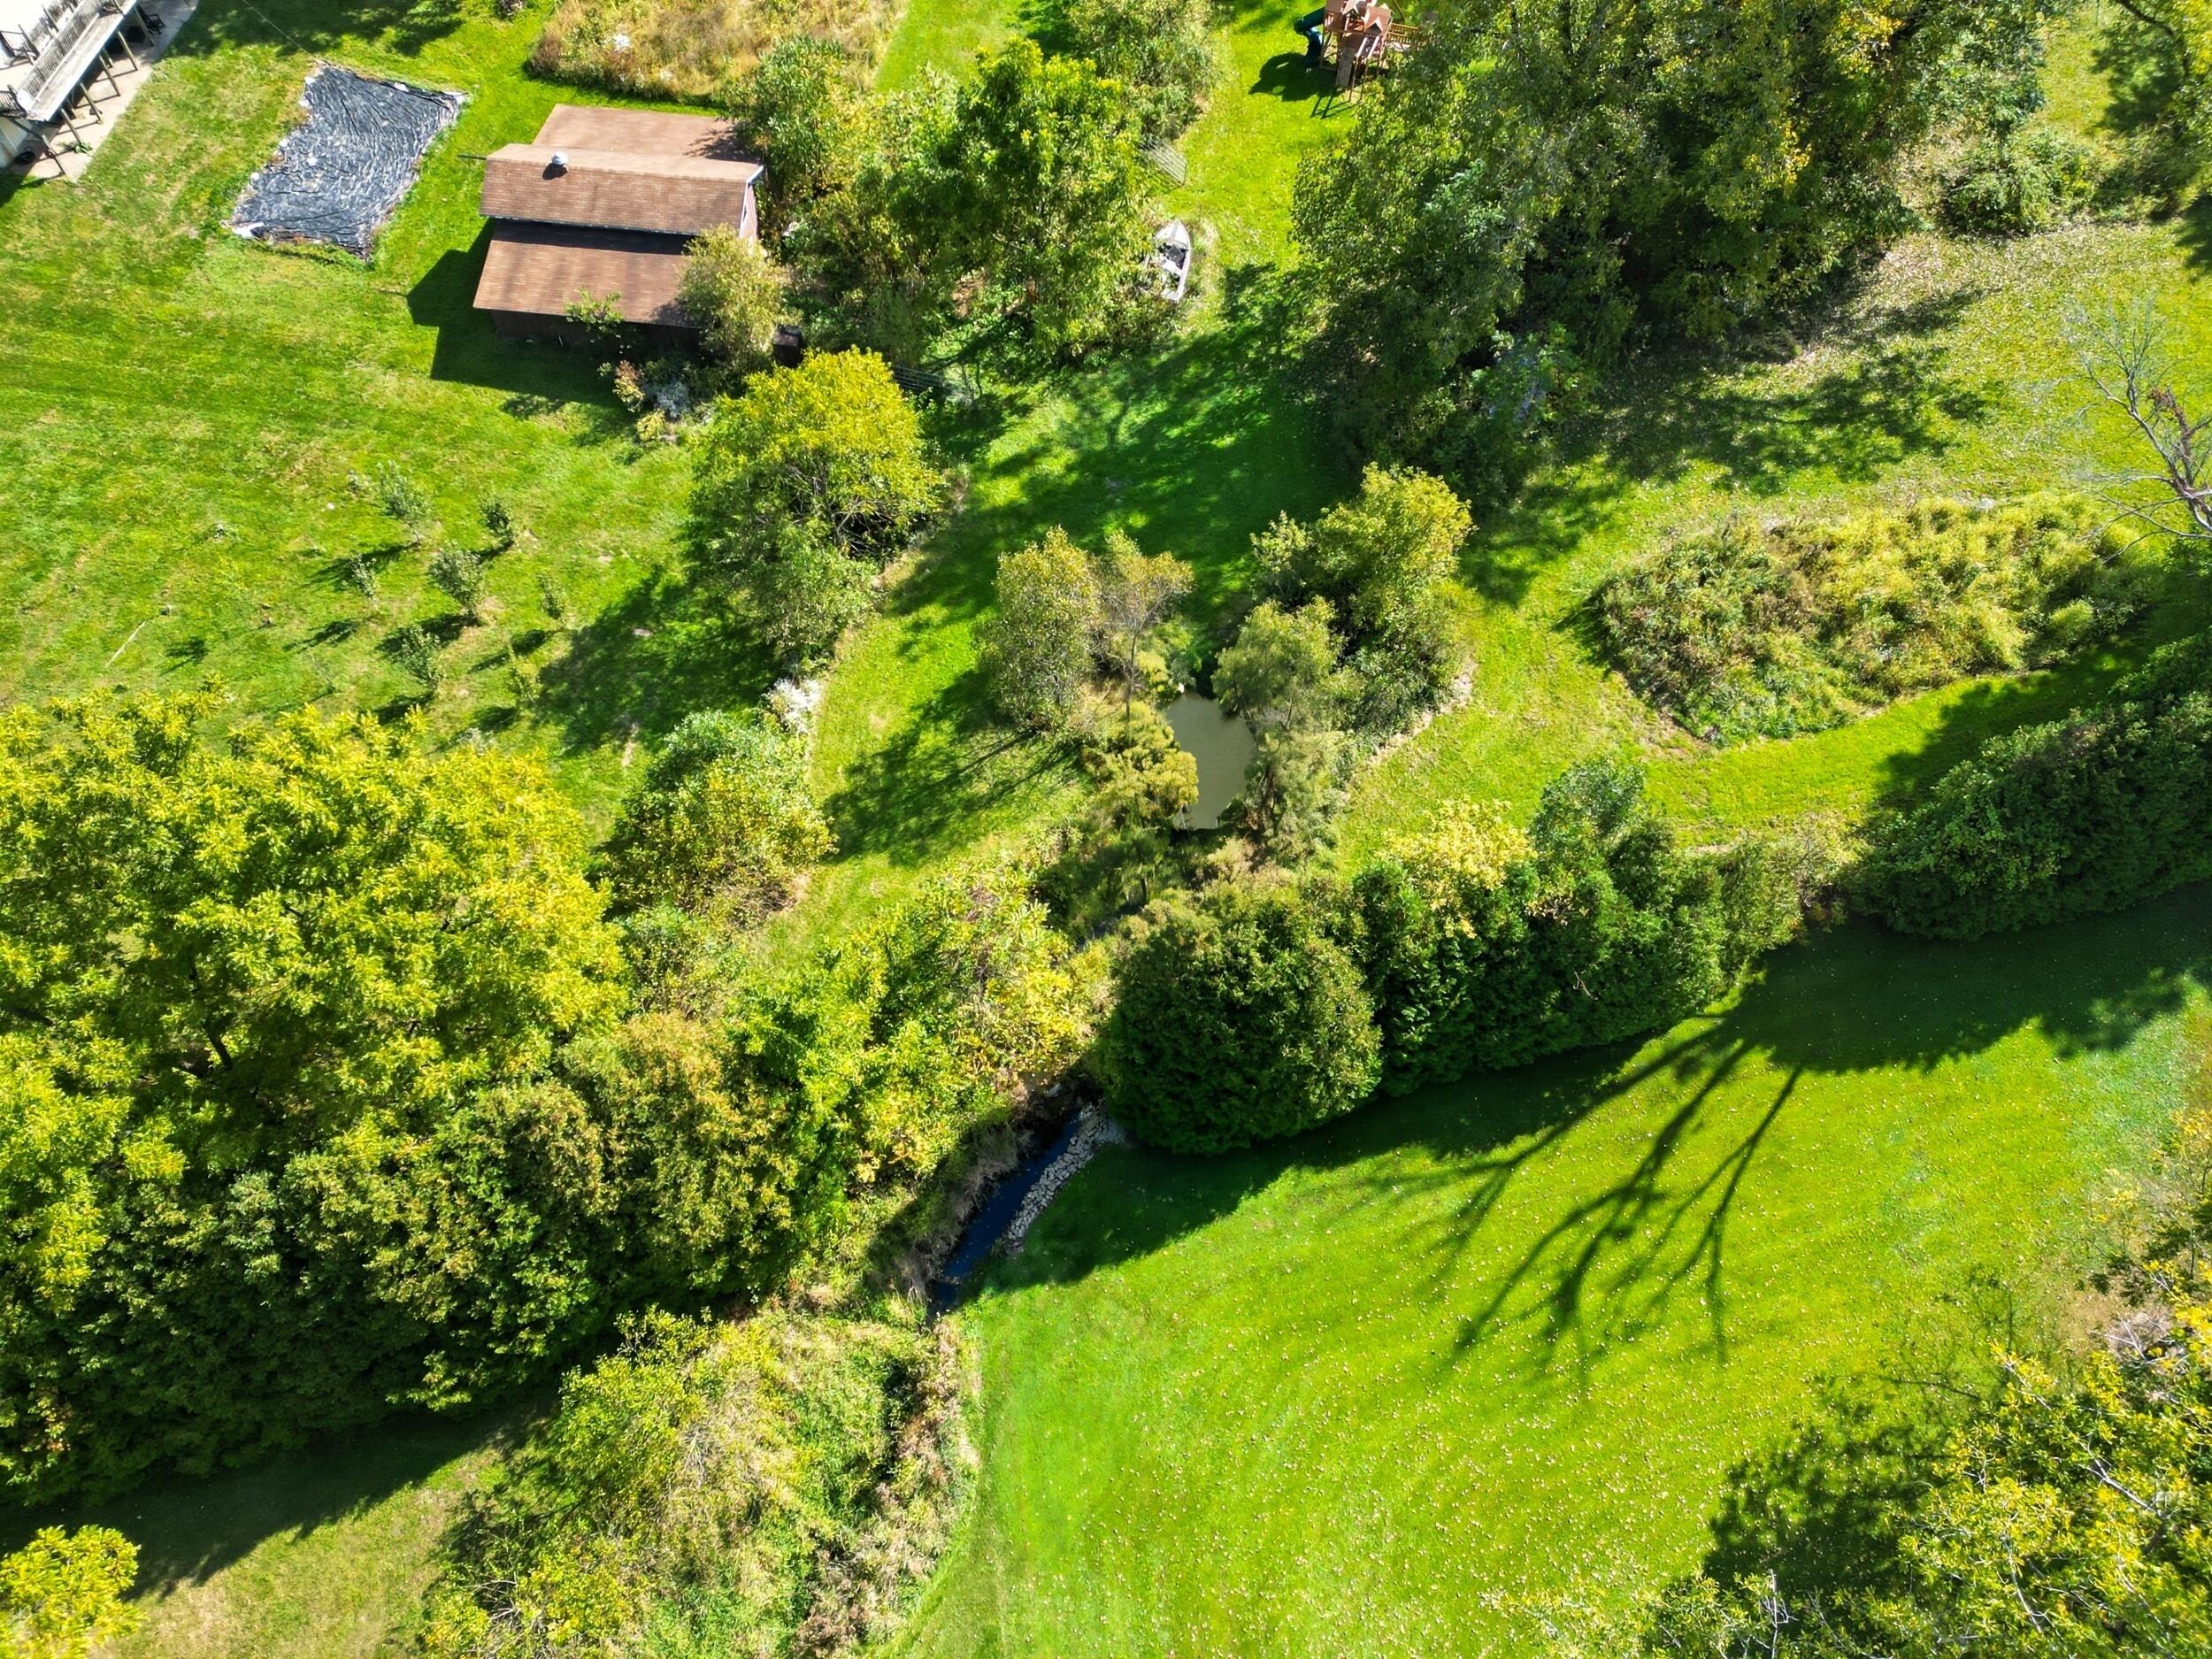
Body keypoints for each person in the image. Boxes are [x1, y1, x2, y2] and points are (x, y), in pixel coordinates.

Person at [1336, 0, 1387, 89]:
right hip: (1360, 44)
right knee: (1350, 55)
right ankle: (1355, 71)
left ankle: (1357, 69)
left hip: (1363, 45)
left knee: (1352, 54)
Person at [1296, 0, 1351, 68]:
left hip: (1348, 14)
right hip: (1334, 8)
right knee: (1299, 25)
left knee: (1300, 25)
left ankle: (1316, 46)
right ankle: (1317, 41)